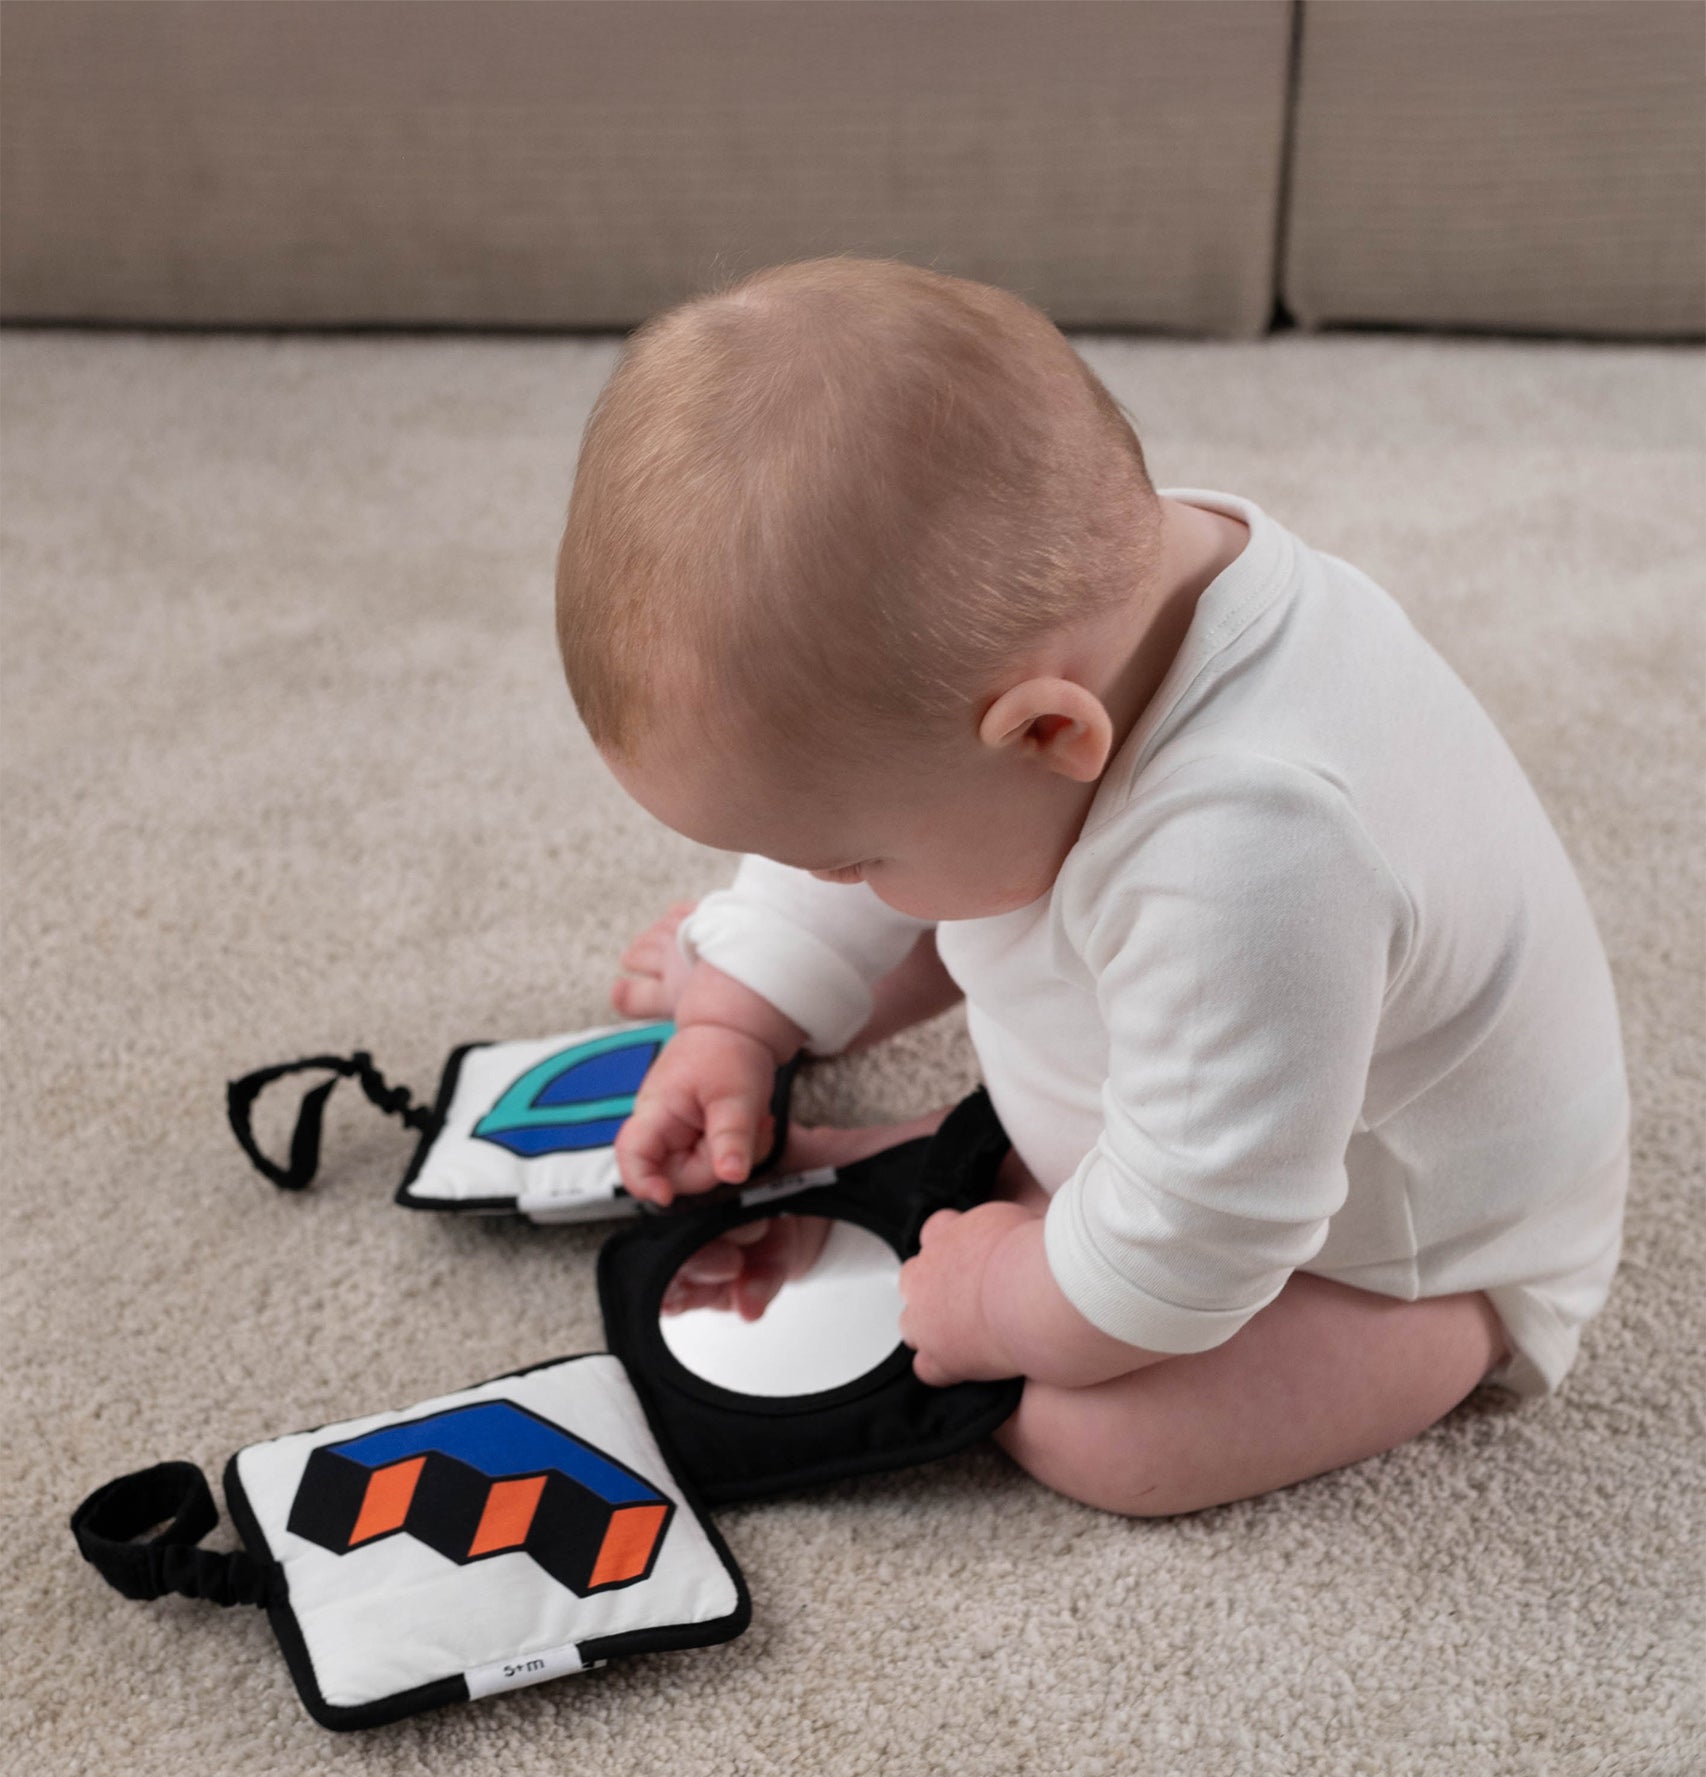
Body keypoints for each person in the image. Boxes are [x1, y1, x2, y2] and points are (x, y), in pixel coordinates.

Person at [554, 256, 1630, 1517]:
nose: (821, 879)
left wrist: (1004, 1300)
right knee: (947, 876)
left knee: (1099, 1434)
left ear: (1045, 735)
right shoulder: (1079, 596)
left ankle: (1459, 1338)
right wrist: (741, 1007)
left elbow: (1203, 1226)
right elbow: (917, 829)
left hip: (1395, 1242)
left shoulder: (1253, 851)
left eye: (839, 861)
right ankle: (1015, 1158)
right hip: (1231, 1059)